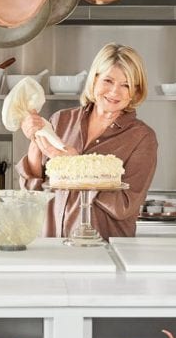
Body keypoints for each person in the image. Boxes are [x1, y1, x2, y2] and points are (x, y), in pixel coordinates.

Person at [16, 43, 158, 239]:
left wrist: (75, 166)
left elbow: (124, 206)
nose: (115, 91)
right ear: (95, 78)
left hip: (104, 248)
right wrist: (35, 141)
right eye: (108, 80)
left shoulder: (142, 137)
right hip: (53, 244)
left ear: (136, 91)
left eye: (126, 85)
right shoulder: (61, 120)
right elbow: (33, 193)